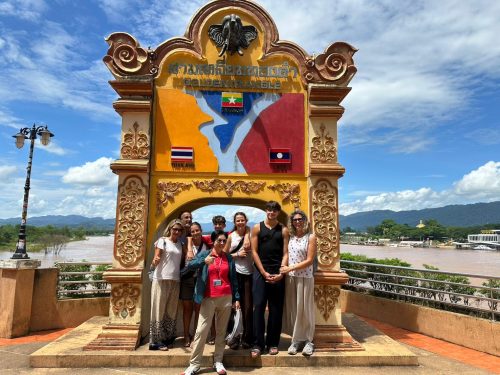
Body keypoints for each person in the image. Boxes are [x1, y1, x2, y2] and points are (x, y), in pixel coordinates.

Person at [181, 230, 240, 375]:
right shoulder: (205, 254)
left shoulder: (228, 258)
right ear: (213, 241)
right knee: (201, 331)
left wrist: (236, 298)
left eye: (223, 241)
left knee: (221, 331)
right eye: (219, 240)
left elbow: (233, 279)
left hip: (225, 297)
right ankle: (194, 364)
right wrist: (203, 261)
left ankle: (218, 361)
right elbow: (190, 265)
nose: (221, 243)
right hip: (208, 298)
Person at [250, 201, 289, 357]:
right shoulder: (257, 228)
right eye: (269, 210)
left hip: (278, 272)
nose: (271, 212)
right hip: (260, 272)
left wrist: (282, 272)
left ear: (278, 212)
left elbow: (286, 253)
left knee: (276, 309)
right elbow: (254, 252)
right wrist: (263, 272)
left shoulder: (284, 230)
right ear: (265, 211)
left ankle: (273, 343)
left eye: (274, 210)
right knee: (258, 307)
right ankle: (257, 344)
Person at [280, 209, 317, 356]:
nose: (297, 222)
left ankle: (308, 341)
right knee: (294, 309)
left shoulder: (311, 237)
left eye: (300, 219)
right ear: (292, 222)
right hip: (291, 277)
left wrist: (290, 267)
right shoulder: (292, 237)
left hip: (305, 277)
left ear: (305, 220)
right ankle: (295, 340)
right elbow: (287, 254)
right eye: (295, 220)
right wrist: (284, 267)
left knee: (305, 309)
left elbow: (309, 260)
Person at [149, 219, 184, 351]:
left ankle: (167, 338)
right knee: (159, 309)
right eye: (174, 229)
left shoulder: (180, 244)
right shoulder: (162, 241)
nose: (177, 232)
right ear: (169, 229)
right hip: (161, 279)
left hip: (175, 280)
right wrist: (155, 261)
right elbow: (156, 258)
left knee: (171, 310)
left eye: (179, 230)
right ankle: (155, 341)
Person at [225, 211, 254, 349]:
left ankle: (247, 337)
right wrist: (237, 254)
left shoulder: (251, 234)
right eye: (238, 220)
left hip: (249, 274)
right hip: (234, 275)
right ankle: (233, 337)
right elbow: (224, 255)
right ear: (234, 222)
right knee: (233, 308)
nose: (240, 222)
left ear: (246, 221)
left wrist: (248, 235)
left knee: (248, 307)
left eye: (242, 220)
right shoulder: (231, 236)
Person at [181, 222, 207, 347]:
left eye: (197, 230)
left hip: (200, 279)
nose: (195, 233)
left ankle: (196, 336)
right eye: (193, 231)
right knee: (187, 309)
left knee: (198, 309)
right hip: (187, 278)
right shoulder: (186, 244)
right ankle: (186, 335)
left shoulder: (206, 245)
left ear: (201, 230)